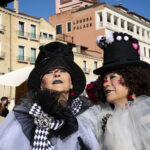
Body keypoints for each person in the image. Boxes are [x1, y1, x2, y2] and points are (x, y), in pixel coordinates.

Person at [0, 41, 100, 150]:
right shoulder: (23, 119)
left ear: (71, 83)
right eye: (48, 72)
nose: (57, 73)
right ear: (41, 86)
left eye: (63, 70)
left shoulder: (87, 118)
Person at [87, 32, 150, 150]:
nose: (105, 83)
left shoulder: (146, 112)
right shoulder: (104, 117)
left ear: (132, 77)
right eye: (104, 79)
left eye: (112, 77)